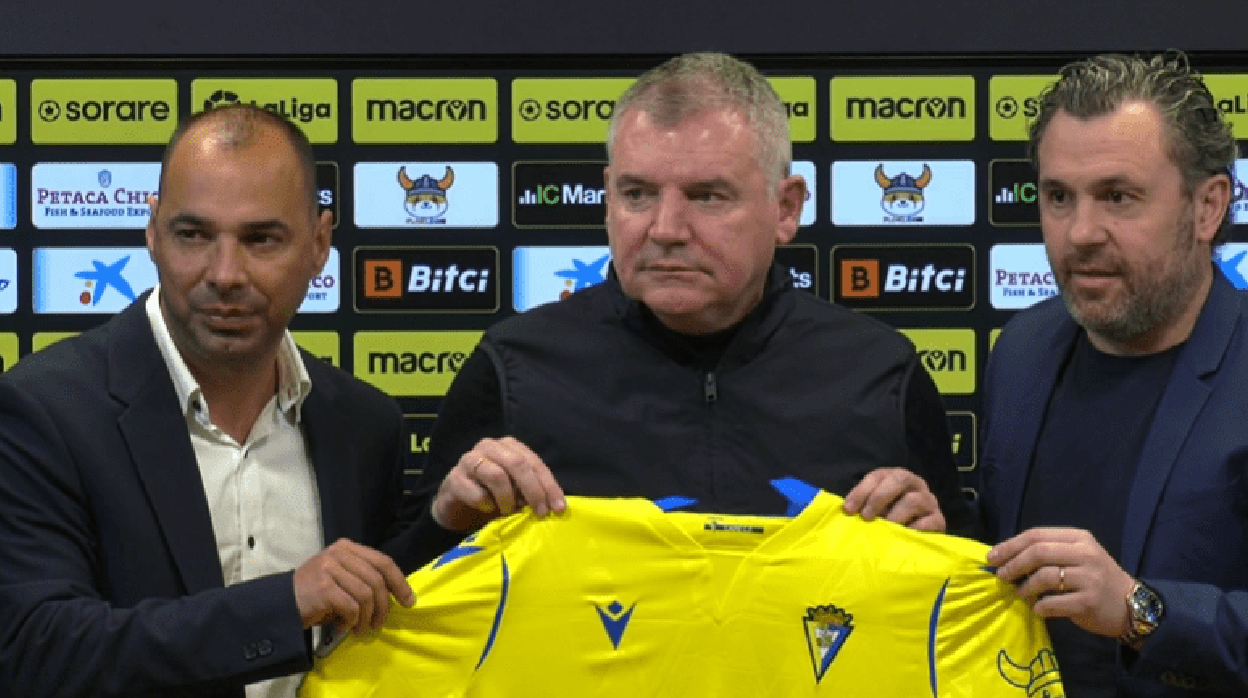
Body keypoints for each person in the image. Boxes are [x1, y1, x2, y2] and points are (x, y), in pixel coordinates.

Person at [405, 52, 978, 568]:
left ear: (786, 207)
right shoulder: (514, 368)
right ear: (608, 197)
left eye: (707, 196)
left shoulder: (879, 371)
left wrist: (938, 540)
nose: (666, 229)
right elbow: (400, 598)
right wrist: (443, 522)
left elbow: (970, 600)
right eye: (637, 194)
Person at [0, 105, 415, 698]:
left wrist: (445, 522)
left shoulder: (367, 425)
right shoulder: (43, 410)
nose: (224, 273)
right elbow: (37, 651)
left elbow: (387, 616)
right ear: (151, 231)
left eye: (261, 239)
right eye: (193, 234)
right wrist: (283, 604)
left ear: (320, 243)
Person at [980, 52, 1248, 697]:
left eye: (1118, 197)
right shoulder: (1022, 347)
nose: (1080, 233)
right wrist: (926, 531)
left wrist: (1140, 610)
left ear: (1207, 207)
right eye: (1058, 197)